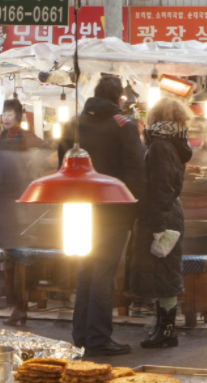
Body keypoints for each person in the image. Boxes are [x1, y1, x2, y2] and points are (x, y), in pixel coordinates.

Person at [57, 77, 146, 355]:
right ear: (119, 98)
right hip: (113, 211)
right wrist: (137, 209)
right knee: (104, 274)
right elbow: (136, 170)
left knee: (86, 270)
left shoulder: (73, 123)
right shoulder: (124, 125)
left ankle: (81, 335)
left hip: (78, 209)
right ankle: (98, 339)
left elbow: (62, 165)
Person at [131, 98, 193, 350]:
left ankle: (167, 330)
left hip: (163, 215)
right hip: (168, 213)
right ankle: (163, 326)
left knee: (165, 271)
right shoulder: (173, 144)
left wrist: (157, 225)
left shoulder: (160, 147)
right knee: (163, 271)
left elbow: (161, 187)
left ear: (156, 119)